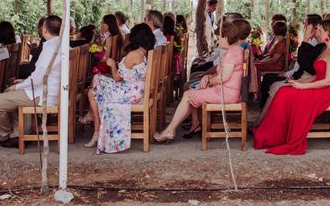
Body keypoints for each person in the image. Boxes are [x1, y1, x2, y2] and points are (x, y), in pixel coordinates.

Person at [253, 18, 330, 155]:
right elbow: (317, 75)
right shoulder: (325, 48)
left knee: (286, 94)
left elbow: (328, 81)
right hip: (317, 85)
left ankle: (280, 135)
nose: (317, 32)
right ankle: (274, 134)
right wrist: (301, 83)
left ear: (327, 32)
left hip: (326, 91)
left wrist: (303, 87)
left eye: (319, 30)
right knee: (283, 90)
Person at [154, 21, 244, 142]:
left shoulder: (231, 54)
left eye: (219, 38)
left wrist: (208, 80)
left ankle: (171, 130)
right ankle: (189, 124)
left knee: (187, 95)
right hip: (226, 91)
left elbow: (223, 78)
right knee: (192, 89)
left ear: (226, 37)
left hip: (226, 93)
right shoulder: (236, 50)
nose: (219, 41)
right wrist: (207, 77)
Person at [0, 15, 62, 148]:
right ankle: (20, 132)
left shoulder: (51, 49)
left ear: (44, 29)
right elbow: (41, 75)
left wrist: (16, 87)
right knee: (17, 92)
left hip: (43, 94)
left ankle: (5, 136)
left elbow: (38, 79)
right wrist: (23, 82)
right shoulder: (62, 45)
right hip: (52, 90)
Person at [82, 23, 154, 152]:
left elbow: (118, 78)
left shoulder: (134, 54)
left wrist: (112, 65)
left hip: (129, 92)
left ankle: (95, 127)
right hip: (136, 89)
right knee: (93, 91)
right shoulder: (145, 53)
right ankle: (95, 125)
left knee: (95, 84)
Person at [256, 16, 325, 125]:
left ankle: (267, 119)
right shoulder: (316, 43)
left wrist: (305, 40)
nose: (304, 26)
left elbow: (304, 64)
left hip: (306, 78)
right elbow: (300, 63)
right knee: (269, 80)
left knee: (271, 83)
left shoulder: (319, 45)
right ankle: (266, 117)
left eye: (306, 24)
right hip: (302, 75)